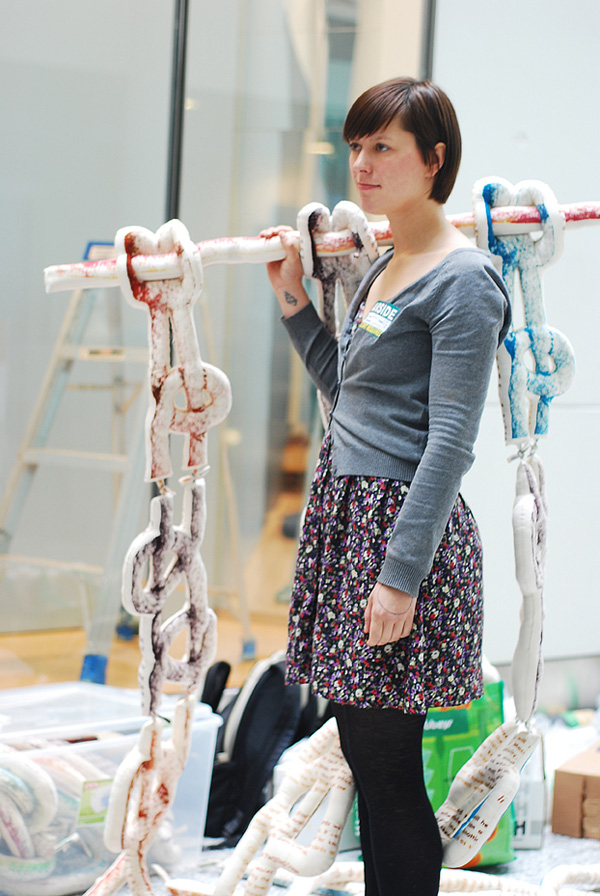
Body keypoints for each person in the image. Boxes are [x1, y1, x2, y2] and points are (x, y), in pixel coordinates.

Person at [261, 77, 511, 896]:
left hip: (400, 532)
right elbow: (351, 389)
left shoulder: (463, 281)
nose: (362, 165)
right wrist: (298, 308)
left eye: (384, 148)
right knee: (370, 760)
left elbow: (449, 441)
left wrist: (400, 574)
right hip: (348, 520)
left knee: (386, 763)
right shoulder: (387, 268)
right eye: (357, 147)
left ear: (434, 160)